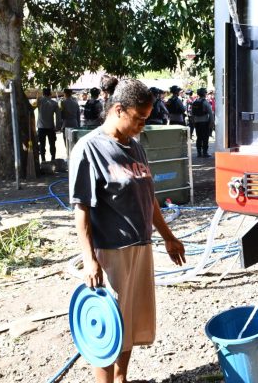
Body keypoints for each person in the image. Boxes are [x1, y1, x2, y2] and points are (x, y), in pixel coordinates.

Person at [69, 78, 186, 383]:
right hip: (111, 252)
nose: (142, 126)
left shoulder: (135, 147)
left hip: (140, 246)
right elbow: (81, 208)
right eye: (139, 119)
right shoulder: (89, 149)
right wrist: (89, 258)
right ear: (119, 109)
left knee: (129, 321)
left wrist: (168, 237)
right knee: (108, 325)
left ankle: (122, 379)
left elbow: (149, 198)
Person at [37, 88, 62, 162]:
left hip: (41, 127)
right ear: (50, 94)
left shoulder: (39, 102)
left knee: (42, 144)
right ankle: (53, 159)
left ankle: (43, 160)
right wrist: (58, 126)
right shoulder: (54, 103)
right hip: (50, 127)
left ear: (43, 94)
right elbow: (58, 116)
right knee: (52, 144)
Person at [191, 88, 214, 157]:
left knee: (199, 138)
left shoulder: (194, 102)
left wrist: (194, 123)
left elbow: (192, 114)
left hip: (197, 122)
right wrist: (211, 123)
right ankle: (205, 152)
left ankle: (199, 153)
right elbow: (211, 114)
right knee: (205, 138)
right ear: (205, 94)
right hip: (204, 122)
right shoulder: (205, 102)